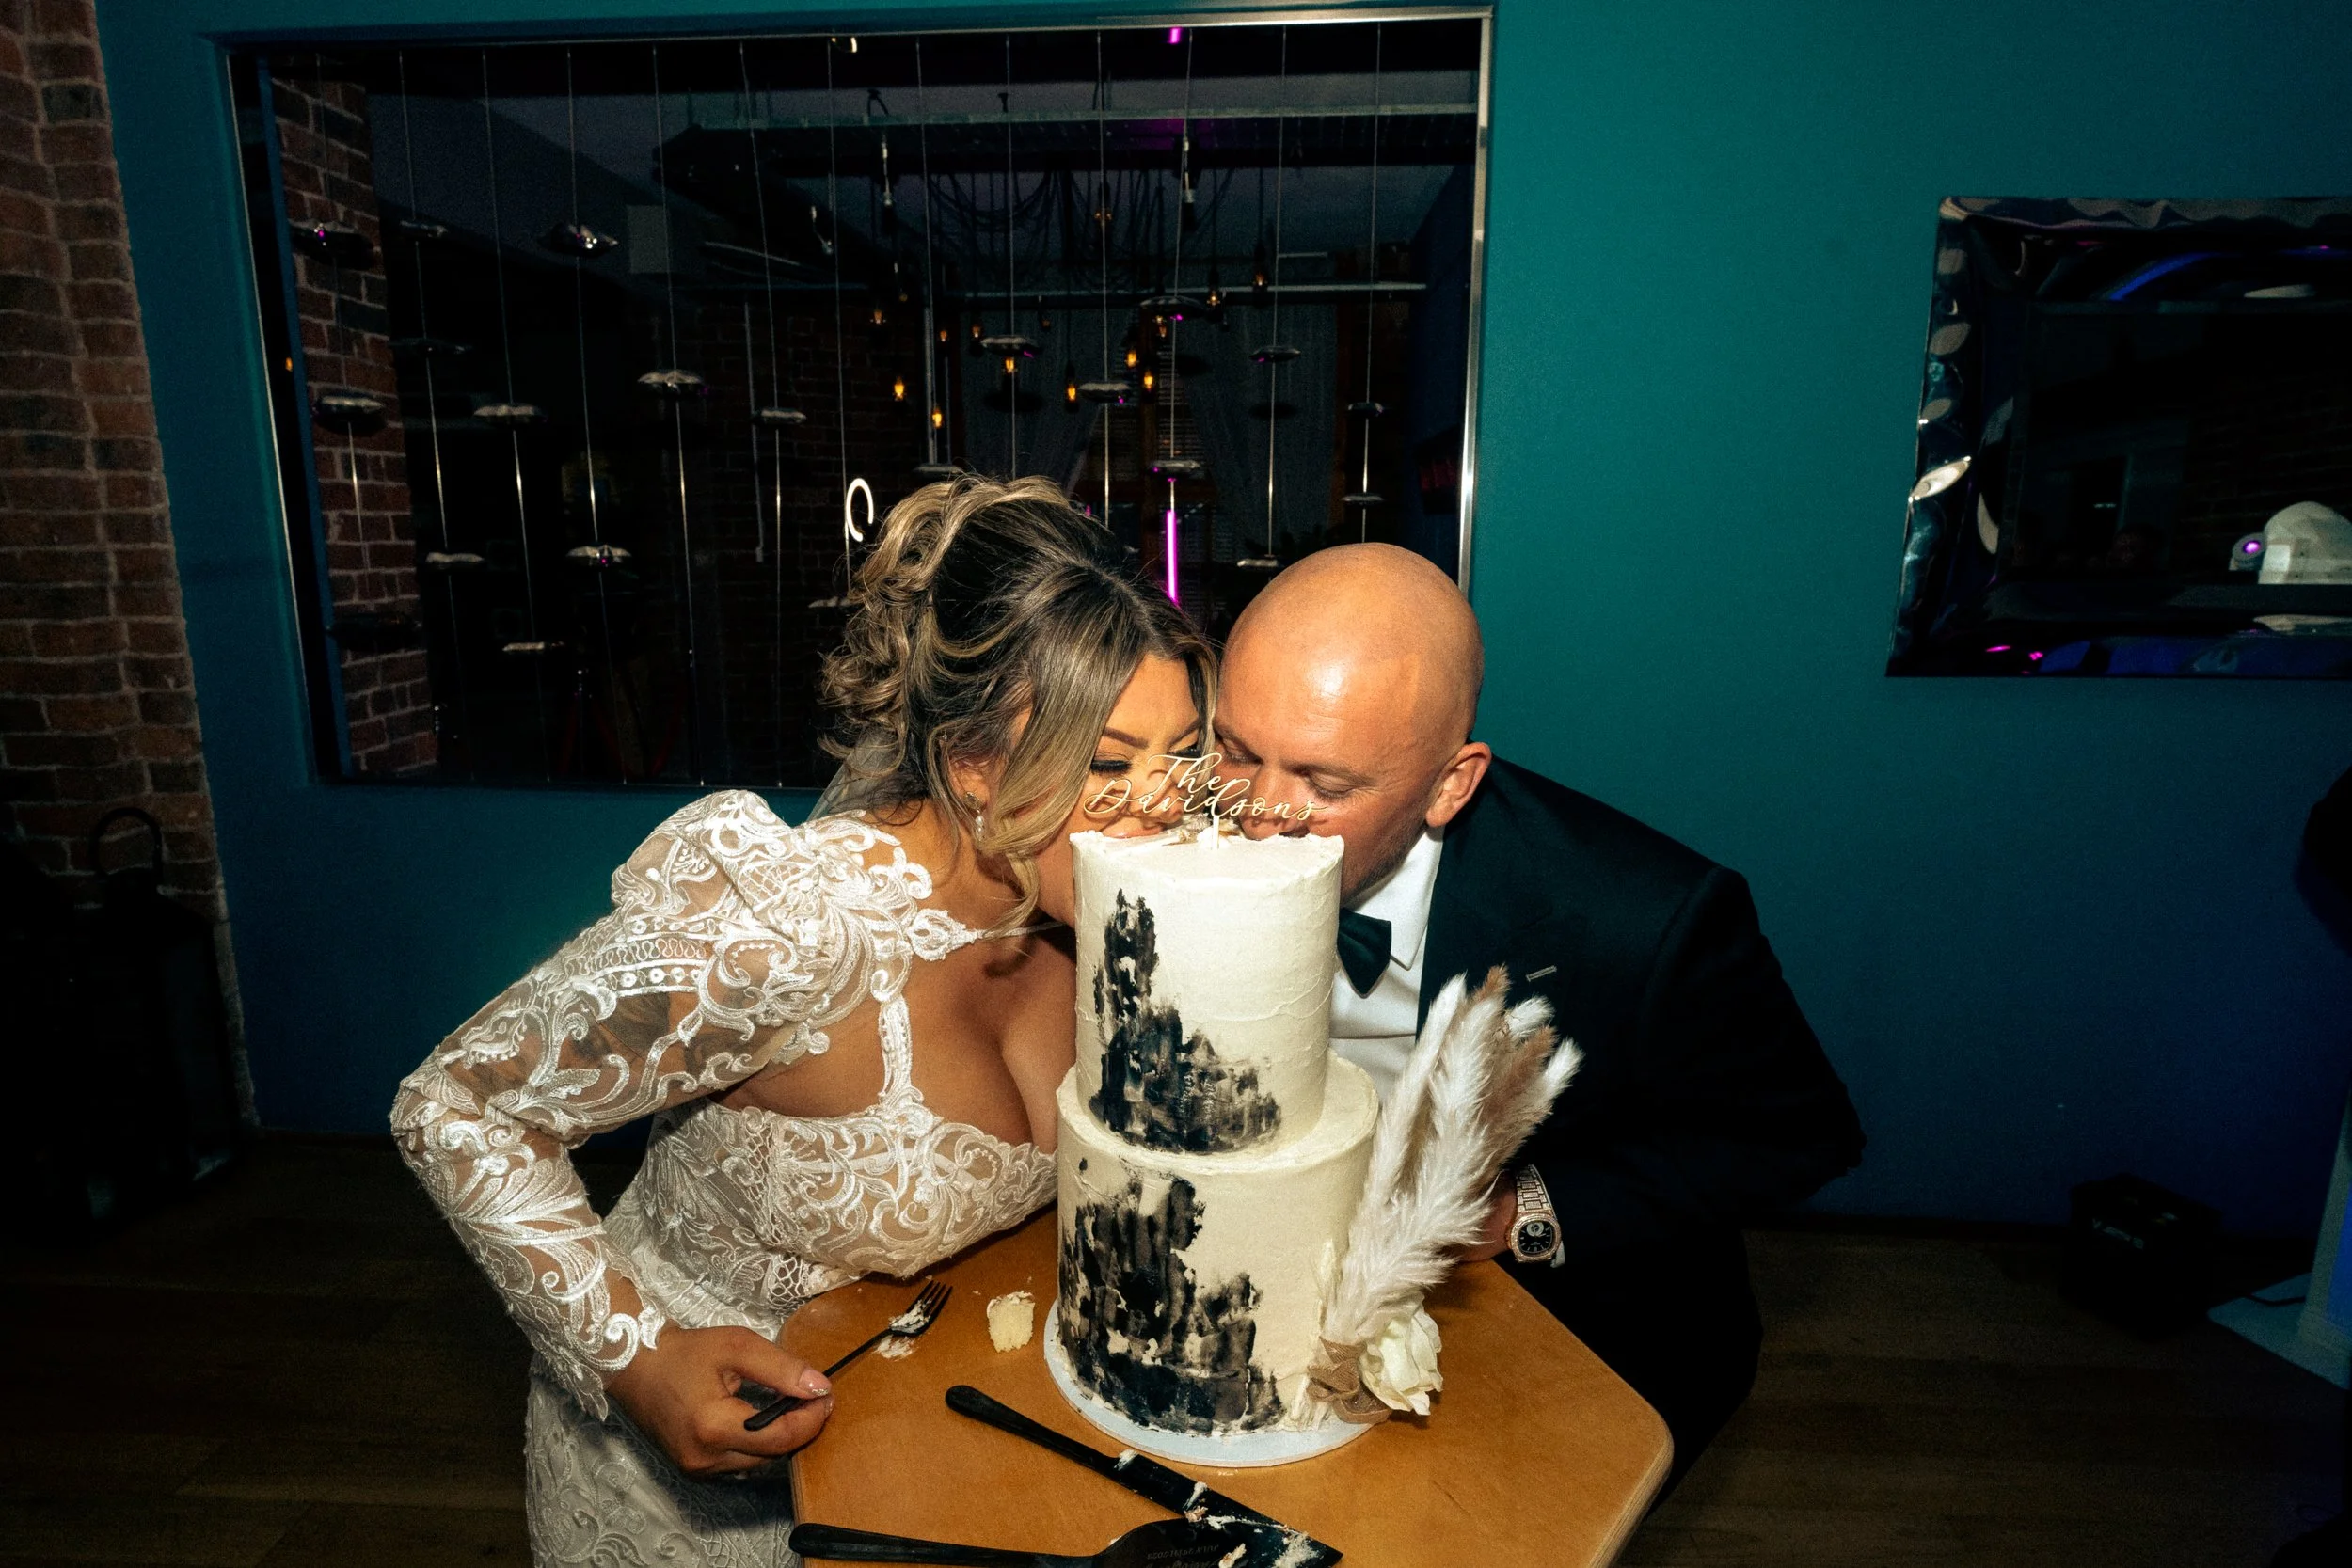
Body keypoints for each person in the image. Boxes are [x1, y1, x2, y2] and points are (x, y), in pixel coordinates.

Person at [391, 477, 1212, 1567]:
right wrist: (637, 1358)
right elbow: (456, 1103)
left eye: (1186, 753)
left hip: (926, 1441)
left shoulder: (1099, 912)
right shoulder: (789, 930)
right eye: (1108, 763)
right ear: (971, 767)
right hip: (696, 1489)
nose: (1163, 808)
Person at [1216, 543, 1865, 1481]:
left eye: (1324, 782)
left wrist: (1522, 1212)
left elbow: (1803, 1134)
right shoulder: (1186, 835)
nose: (1260, 811)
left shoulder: (1642, 919)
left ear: (1452, 783)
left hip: (1563, 1328)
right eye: (1237, 749)